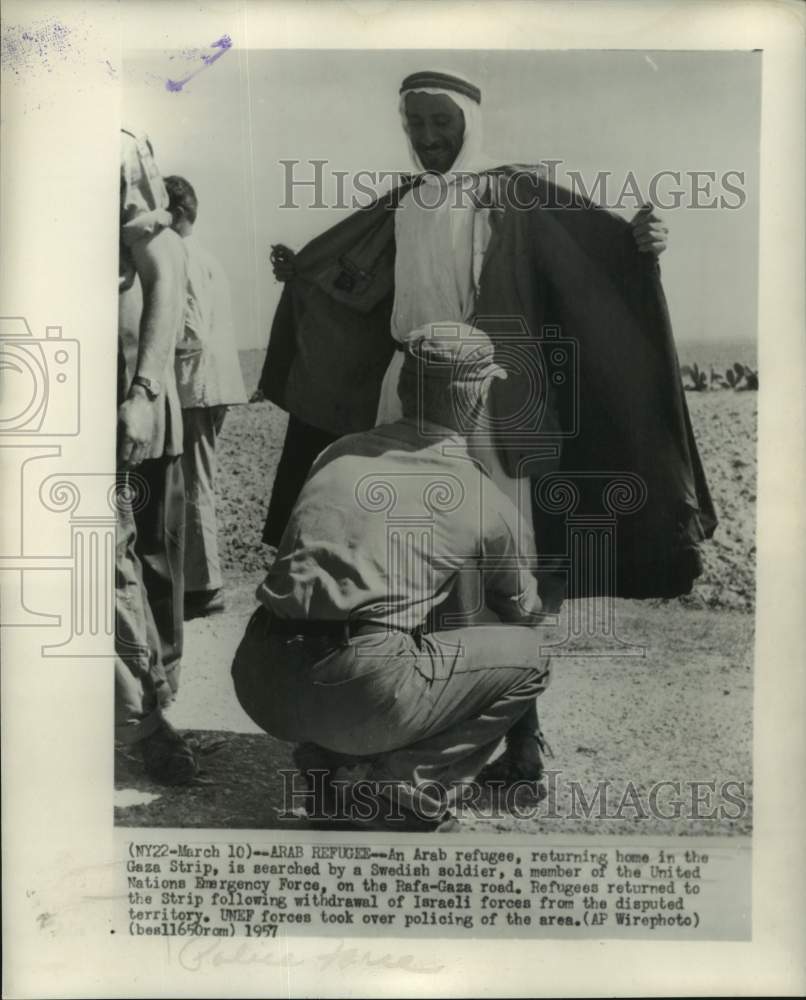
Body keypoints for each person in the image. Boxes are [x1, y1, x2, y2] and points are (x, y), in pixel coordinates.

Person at [258, 69, 714, 608]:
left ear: (468, 123)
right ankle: (420, 649)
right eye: (415, 122)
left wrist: (643, 241)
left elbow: (592, 254)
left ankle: (499, 659)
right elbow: (357, 286)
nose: (427, 136)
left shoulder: (514, 195)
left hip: (487, 399)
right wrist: (306, 275)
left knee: (495, 535)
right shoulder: (403, 205)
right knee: (409, 531)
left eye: (441, 121)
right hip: (405, 391)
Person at [233, 329, 551, 831]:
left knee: (381, 606)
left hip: (258, 679)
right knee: (530, 659)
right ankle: (404, 785)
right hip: (355, 688)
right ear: (475, 398)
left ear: (405, 387)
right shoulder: (478, 492)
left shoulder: (337, 453)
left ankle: (327, 767)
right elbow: (525, 615)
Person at [116, 130, 197, 783]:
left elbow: (161, 266)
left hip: (99, 391)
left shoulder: (113, 147)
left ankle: (147, 717)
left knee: (114, 558)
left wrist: (143, 390)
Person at [164, 175, 248, 618]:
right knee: (199, 482)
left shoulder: (179, 255)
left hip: (193, 385)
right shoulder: (208, 257)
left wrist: (156, 345)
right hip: (213, 384)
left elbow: (189, 332)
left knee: (194, 484)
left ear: (175, 212)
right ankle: (201, 580)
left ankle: (205, 586)